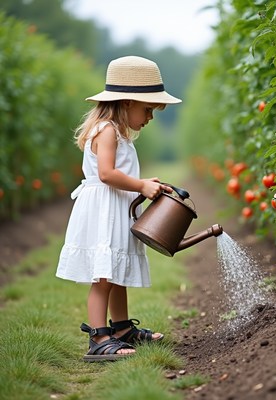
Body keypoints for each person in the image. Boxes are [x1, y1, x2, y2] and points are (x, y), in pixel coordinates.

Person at [56, 56, 181, 362]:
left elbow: (118, 173)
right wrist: (140, 186)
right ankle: (98, 337)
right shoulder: (107, 131)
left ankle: (122, 329)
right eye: (148, 109)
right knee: (103, 277)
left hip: (115, 208)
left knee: (116, 272)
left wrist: (142, 182)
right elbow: (107, 174)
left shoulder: (117, 132)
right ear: (127, 102)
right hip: (104, 211)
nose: (150, 117)